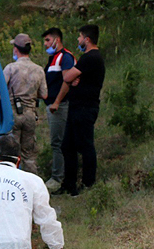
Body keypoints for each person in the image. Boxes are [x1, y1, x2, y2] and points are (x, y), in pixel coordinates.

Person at [57, 24, 106, 197]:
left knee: (85, 145)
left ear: (87, 39)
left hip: (85, 108)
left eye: (80, 37)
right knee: (67, 146)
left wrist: (73, 77)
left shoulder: (91, 57)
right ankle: (70, 184)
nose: (78, 40)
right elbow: (72, 78)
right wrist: (75, 78)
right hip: (77, 107)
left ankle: (88, 182)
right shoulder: (88, 59)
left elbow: (68, 77)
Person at [2, 33, 48, 175]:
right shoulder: (39, 69)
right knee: (29, 154)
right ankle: (32, 182)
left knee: (11, 152)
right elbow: (44, 94)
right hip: (30, 114)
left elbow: (1, 89)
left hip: (13, 114)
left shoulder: (10, 68)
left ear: (16, 49)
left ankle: (12, 181)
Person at [41, 27, 76, 193]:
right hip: (52, 105)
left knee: (58, 143)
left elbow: (67, 81)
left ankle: (57, 178)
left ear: (57, 40)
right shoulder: (53, 59)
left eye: (48, 40)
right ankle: (59, 176)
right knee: (57, 142)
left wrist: (57, 101)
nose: (46, 44)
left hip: (59, 107)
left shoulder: (65, 57)